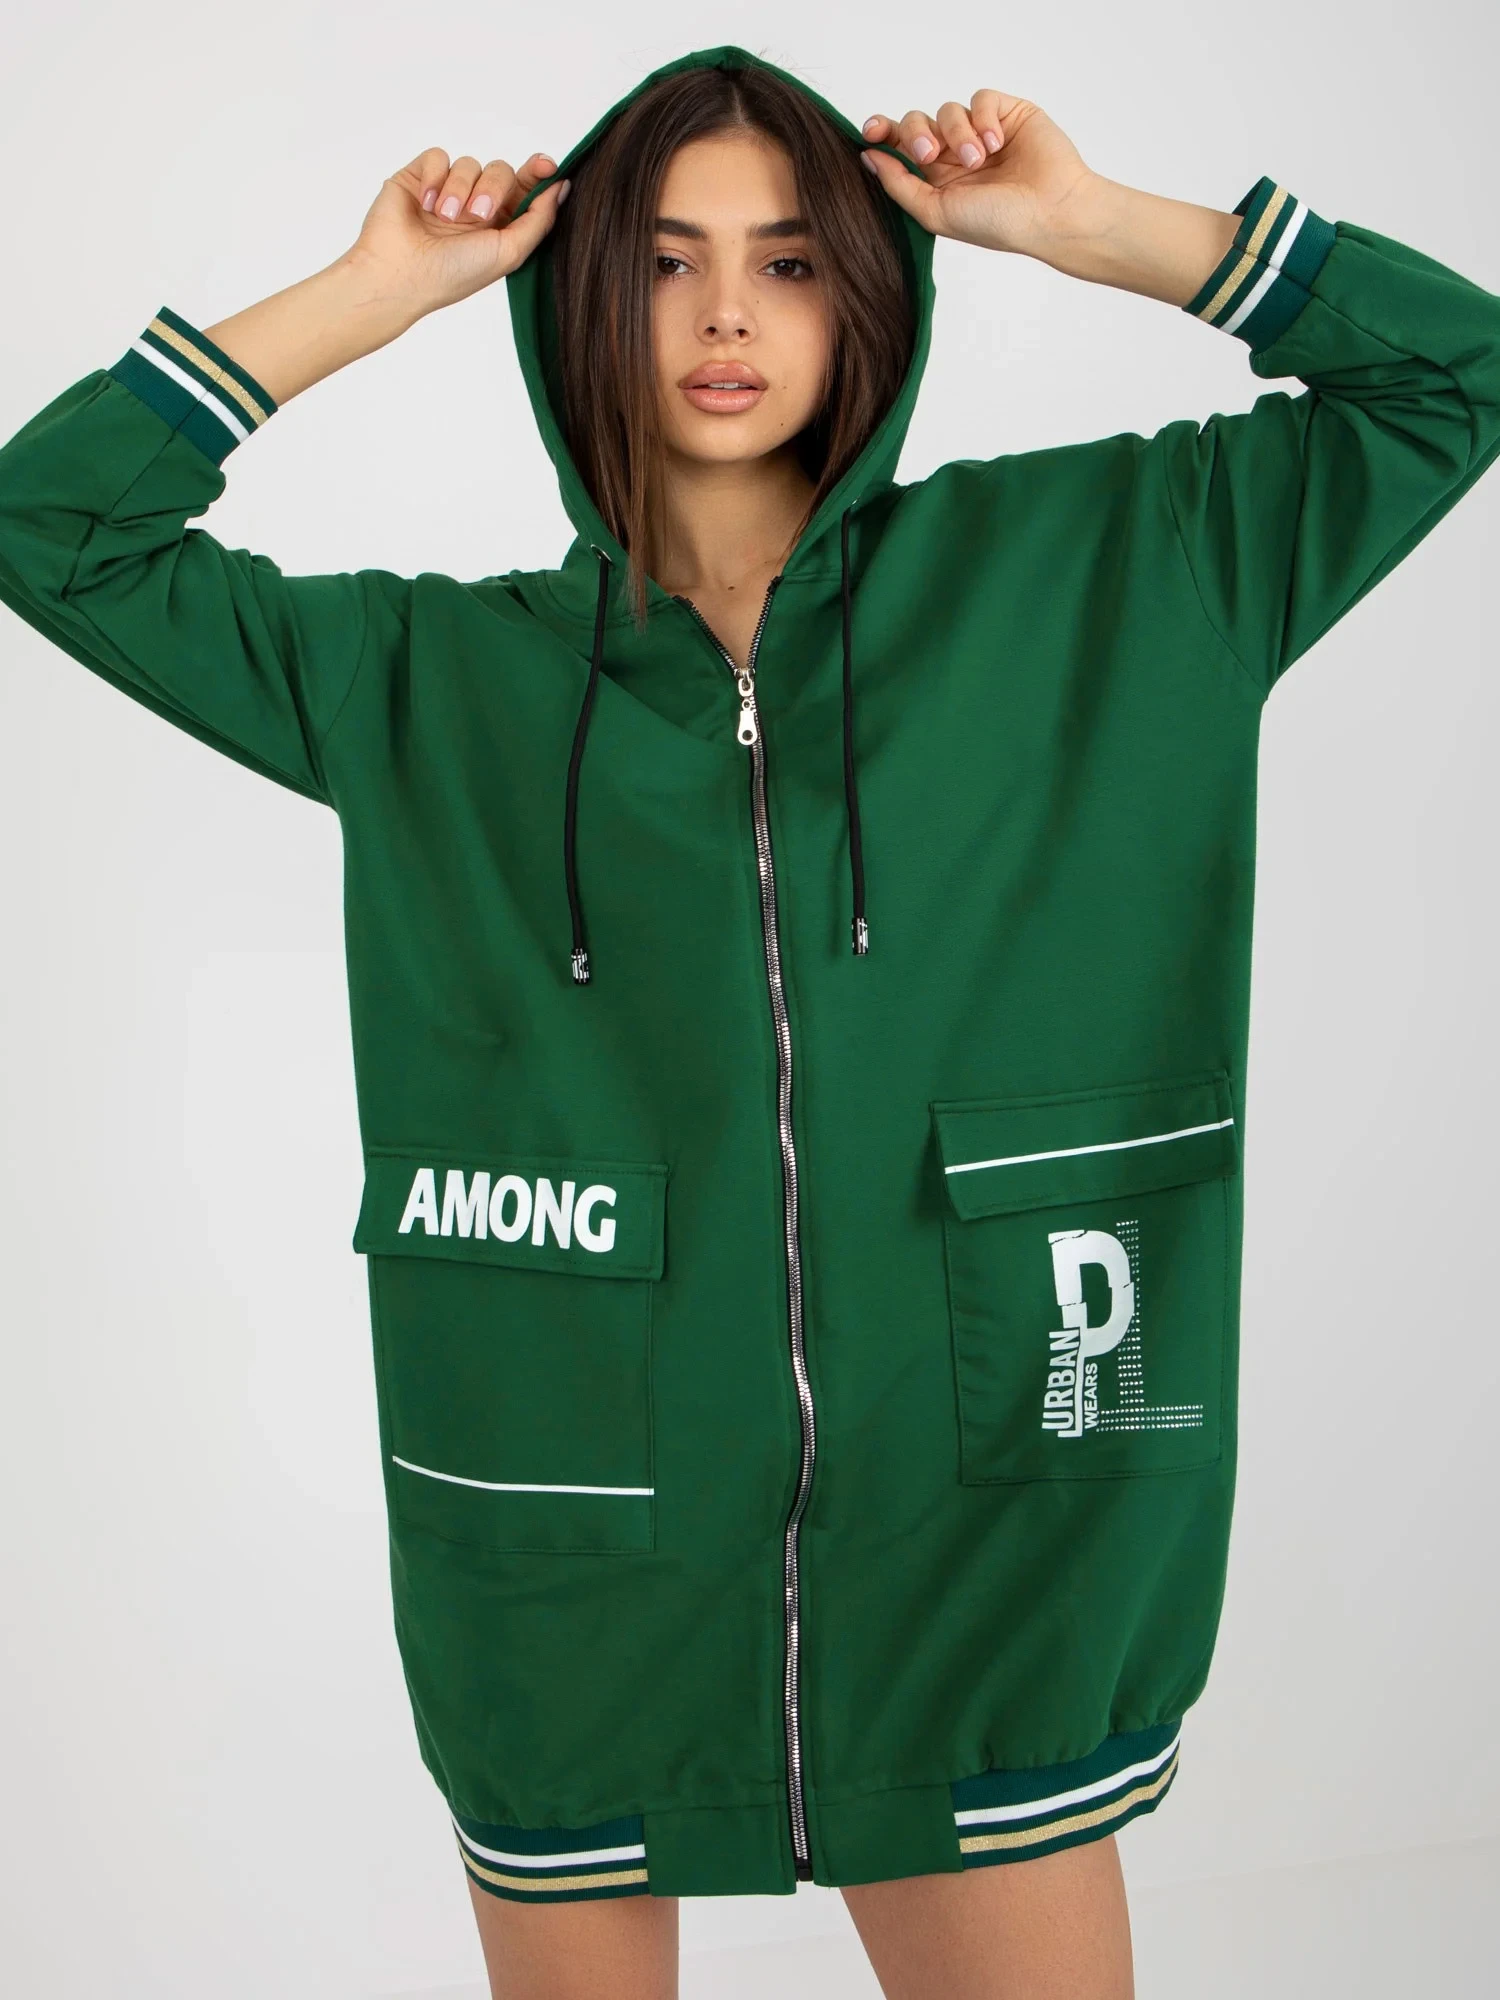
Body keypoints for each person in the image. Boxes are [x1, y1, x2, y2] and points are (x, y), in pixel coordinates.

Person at [1, 40, 1496, 2000]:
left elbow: (1455, 376)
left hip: (996, 1528)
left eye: (790, 261)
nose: (725, 316)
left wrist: (1090, 224)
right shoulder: (420, 676)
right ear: (573, 298)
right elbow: (52, 525)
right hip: (569, 1544)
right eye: (660, 262)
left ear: (867, 294)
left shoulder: (1124, 569)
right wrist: (379, 289)